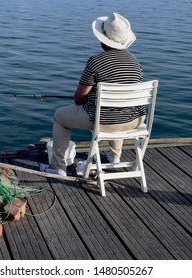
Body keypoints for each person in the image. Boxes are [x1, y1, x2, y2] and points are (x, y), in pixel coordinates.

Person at [40, 12, 145, 176]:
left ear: (104, 40)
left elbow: (79, 97)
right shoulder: (136, 62)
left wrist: (86, 100)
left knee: (59, 117)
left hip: (103, 121)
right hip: (134, 121)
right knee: (119, 108)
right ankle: (115, 156)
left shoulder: (95, 61)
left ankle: (58, 167)